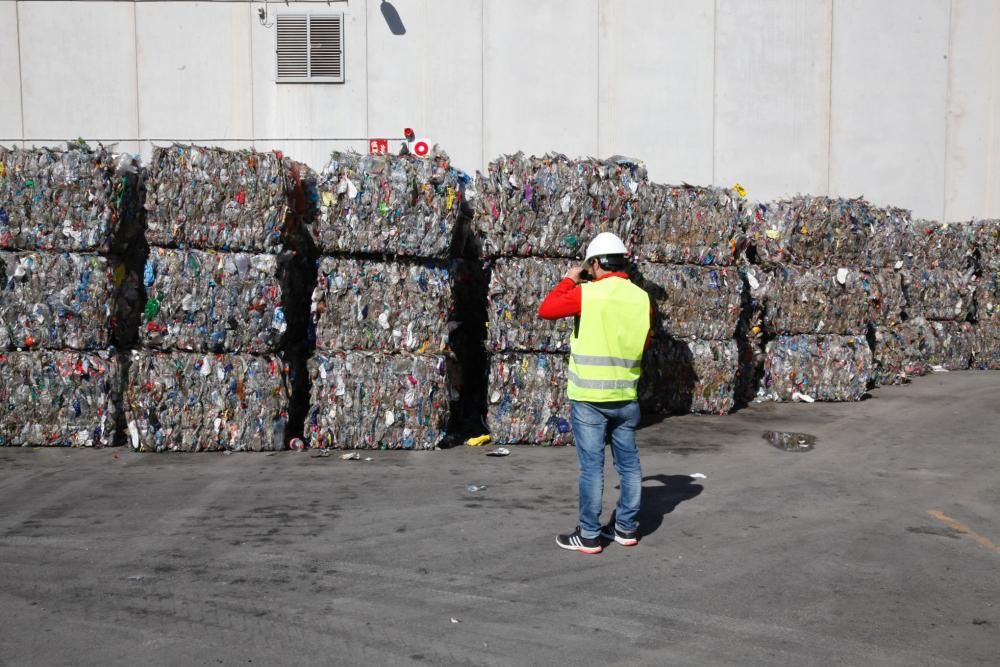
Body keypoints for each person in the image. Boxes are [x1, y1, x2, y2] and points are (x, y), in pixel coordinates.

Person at [538, 232, 652, 554]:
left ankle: (589, 534)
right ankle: (626, 528)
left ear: (597, 263)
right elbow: (643, 342)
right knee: (629, 467)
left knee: (592, 468)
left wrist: (568, 280)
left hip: (589, 398)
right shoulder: (642, 298)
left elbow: (546, 310)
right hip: (626, 396)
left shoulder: (587, 294)